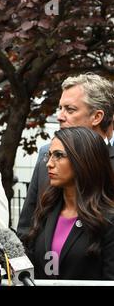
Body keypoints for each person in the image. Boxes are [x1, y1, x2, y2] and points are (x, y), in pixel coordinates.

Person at [17, 73, 114, 240]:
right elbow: (27, 226)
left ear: (97, 117)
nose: (60, 116)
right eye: (60, 108)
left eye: (70, 109)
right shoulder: (46, 156)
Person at [25, 127, 114, 279]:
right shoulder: (46, 210)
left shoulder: (108, 220)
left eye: (59, 155)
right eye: (49, 155)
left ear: (84, 160)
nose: (49, 164)